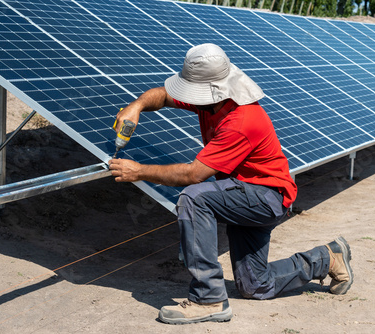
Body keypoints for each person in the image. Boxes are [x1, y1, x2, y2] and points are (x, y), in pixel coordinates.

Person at [108, 43, 353, 325]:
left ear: (212, 89)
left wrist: (139, 171)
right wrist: (136, 106)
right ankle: (328, 258)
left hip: (266, 197)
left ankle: (208, 298)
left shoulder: (242, 120)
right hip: (241, 193)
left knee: (194, 198)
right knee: (256, 285)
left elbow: (193, 175)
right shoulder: (211, 101)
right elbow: (163, 96)